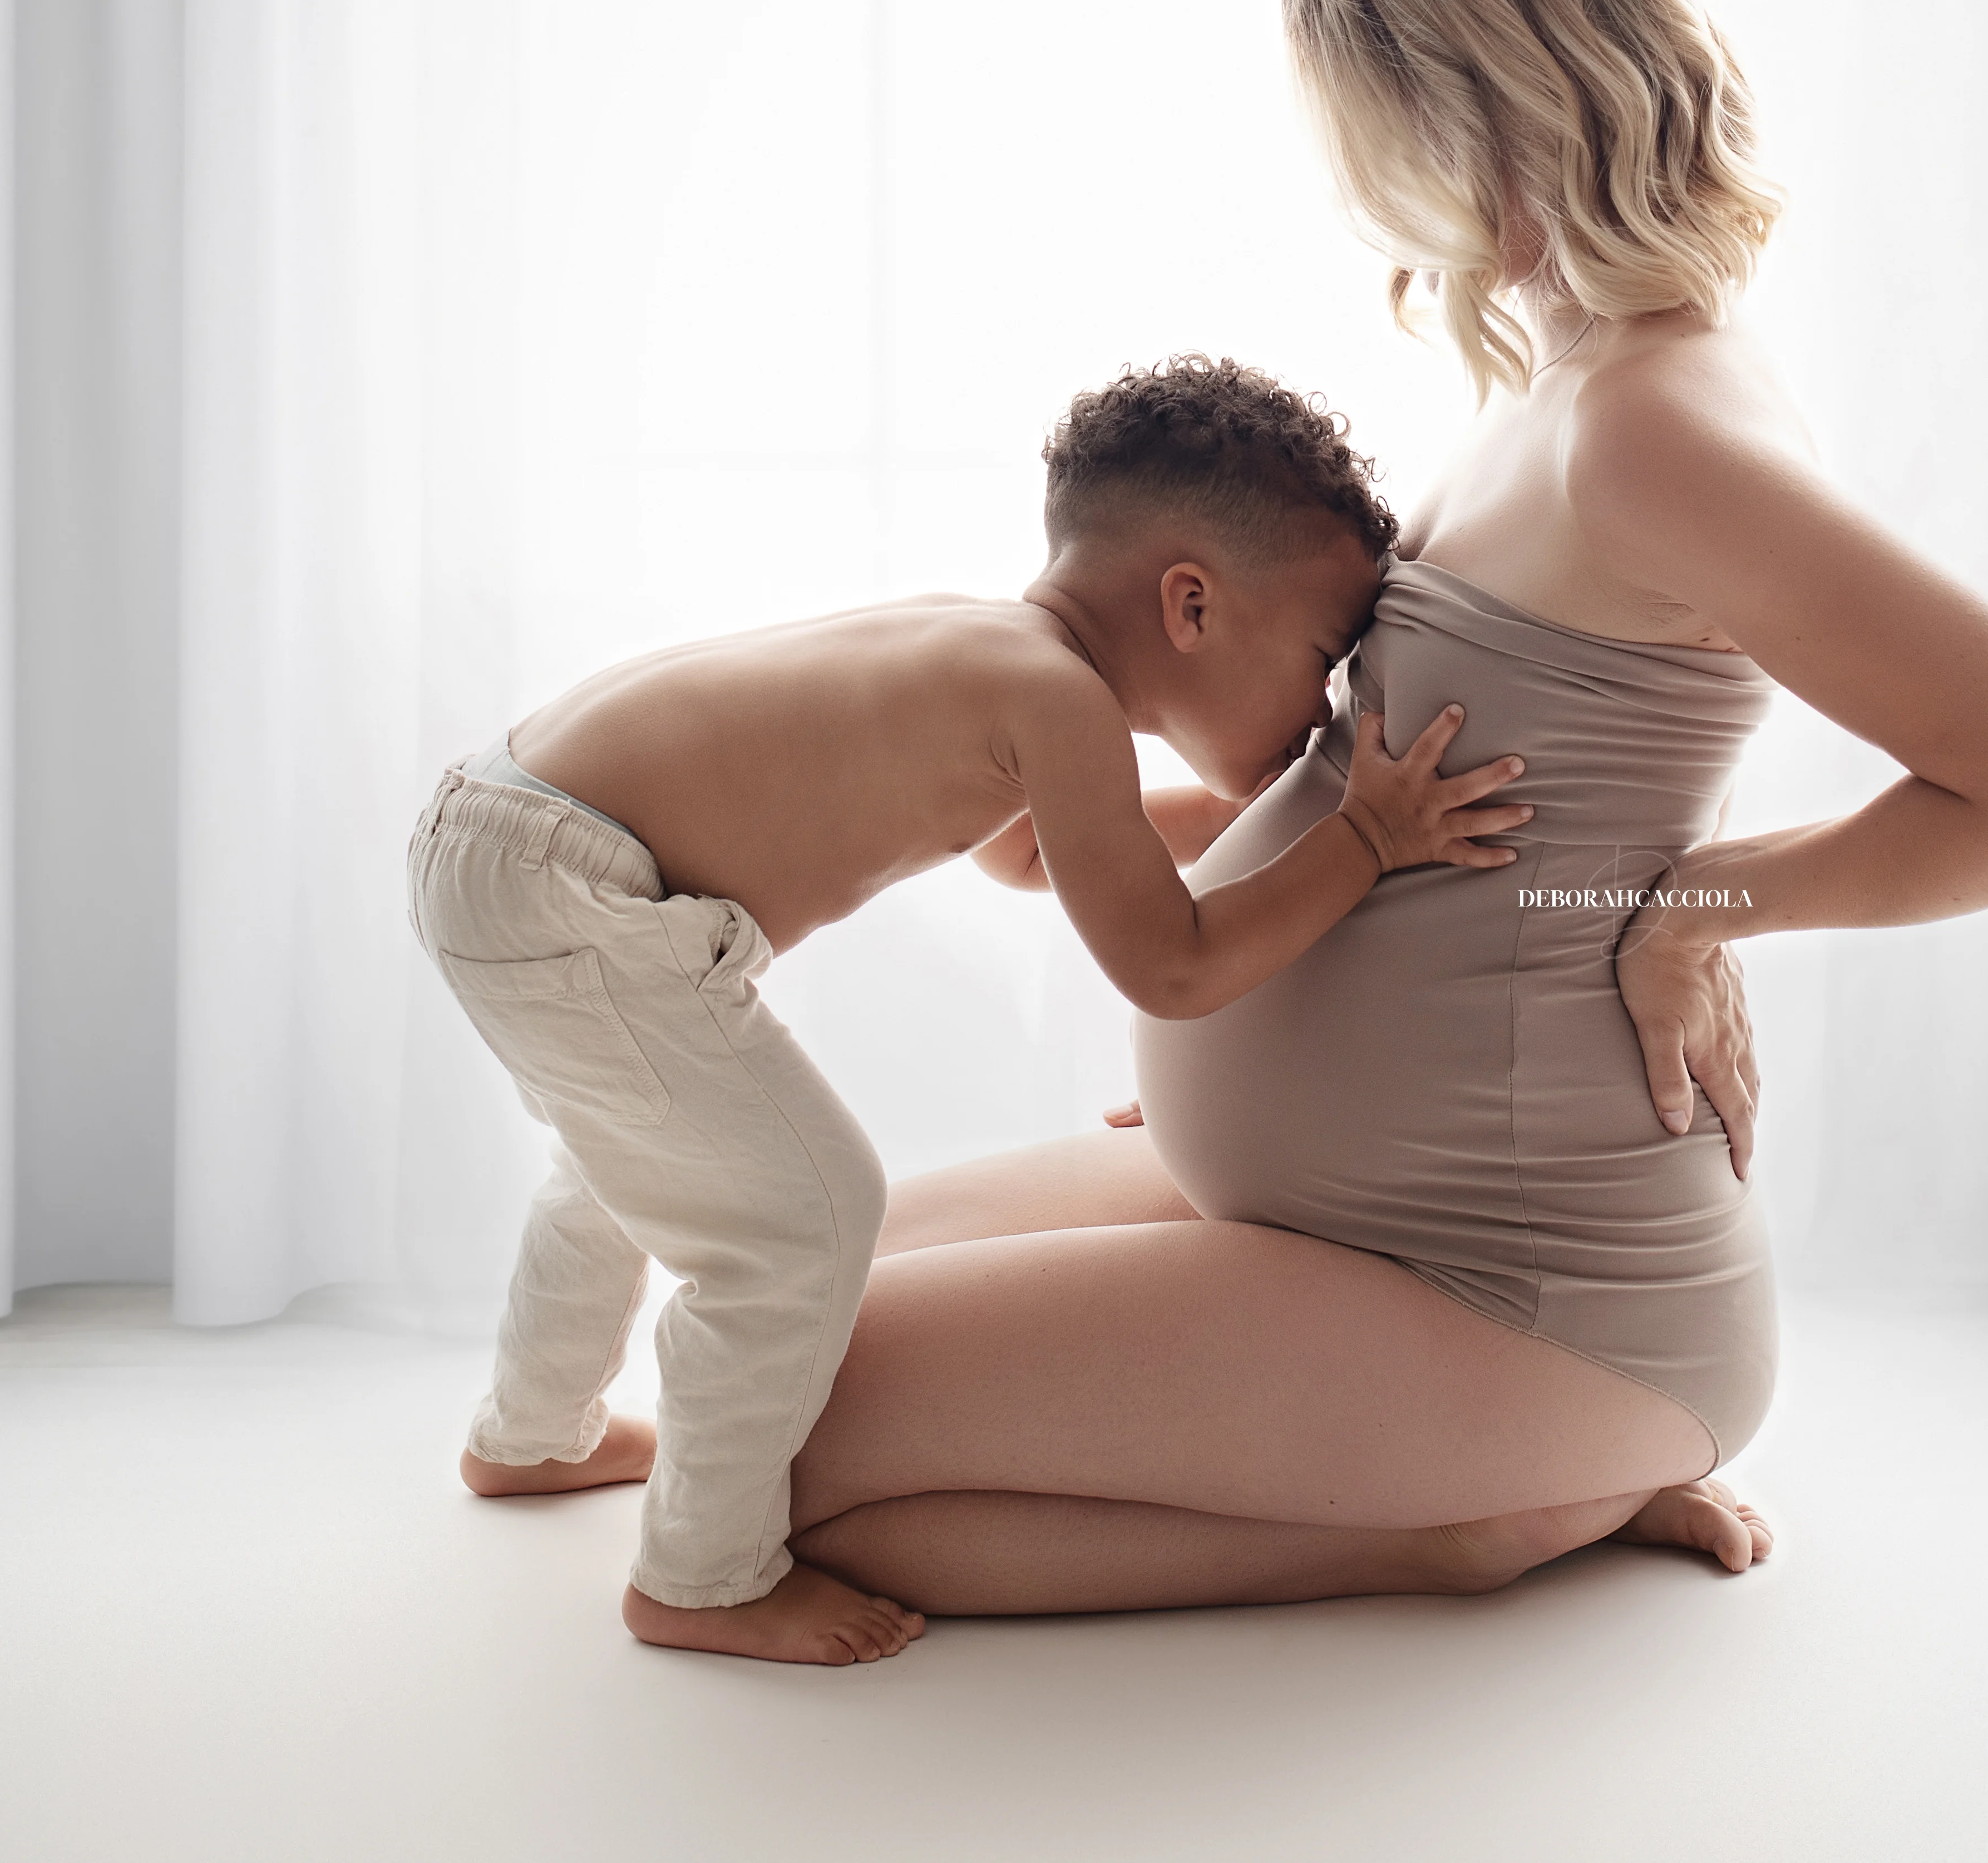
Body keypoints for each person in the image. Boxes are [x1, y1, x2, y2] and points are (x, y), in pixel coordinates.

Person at [756, 0, 1988, 1623]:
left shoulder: (1655, 427)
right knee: (756, 1309)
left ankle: (1486, 1508)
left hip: (1505, 1291)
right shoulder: (1561, 382)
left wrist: (1698, 910)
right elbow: (1457, 787)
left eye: (1396, 144)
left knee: (775, 1449)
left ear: (1497, 102)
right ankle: (1511, 1477)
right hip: (1330, 1219)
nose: (1393, 205)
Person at [406, 358, 1529, 1667]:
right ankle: (698, 1574)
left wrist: (1263, 821)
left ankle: (533, 1434)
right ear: (1190, 602)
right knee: (805, 1212)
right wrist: (1364, 841)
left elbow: (1038, 853)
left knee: (619, 1164)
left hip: (507, 839)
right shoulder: (1048, 698)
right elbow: (1171, 966)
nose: (1325, 704)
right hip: (566, 882)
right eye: (1326, 656)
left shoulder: (1001, 654)